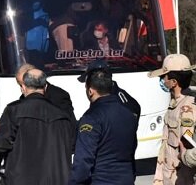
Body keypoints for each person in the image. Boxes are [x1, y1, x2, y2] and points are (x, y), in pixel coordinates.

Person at [0, 68, 74, 184]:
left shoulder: (13, 111)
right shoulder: (62, 115)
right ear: (44, 87)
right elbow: (71, 145)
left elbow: (0, 144)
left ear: (23, 88)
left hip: (21, 179)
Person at [69, 67, 138, 184]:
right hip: (126, 179)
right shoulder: (128, 114)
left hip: (101, 180)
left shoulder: (91, 118)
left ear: (90, 91)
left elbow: (84, 159)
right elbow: (131, 149)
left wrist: (74, 182)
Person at [148, 53, 196, 184]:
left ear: (174, 82)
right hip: (168, 173)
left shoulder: (187, 108)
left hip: (179, 176)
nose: (162, 80)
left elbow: (188, 143)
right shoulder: (175, 103)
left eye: (164, 77)